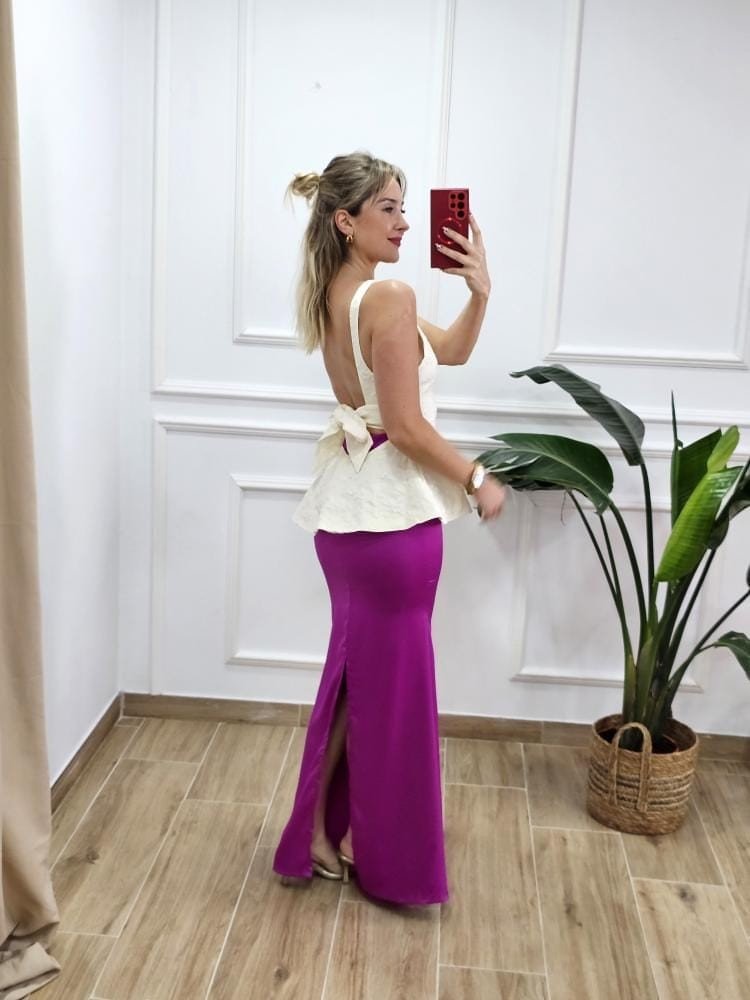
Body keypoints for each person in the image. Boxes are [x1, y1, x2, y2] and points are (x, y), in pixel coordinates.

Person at [272, 151, 506, 906]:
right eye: (389, 209)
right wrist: (475, 476)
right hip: (390, 525)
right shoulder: (388, 295)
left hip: (351, 514)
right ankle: (385, 858)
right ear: (346, 221)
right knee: (395, 696)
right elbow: (404, 426)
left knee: (356, 681)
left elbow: (454, 350)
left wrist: (479, 291)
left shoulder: (339, 294)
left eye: (406, 208)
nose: (406, 222)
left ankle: (319, 833)